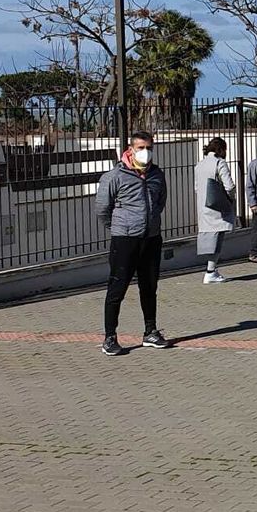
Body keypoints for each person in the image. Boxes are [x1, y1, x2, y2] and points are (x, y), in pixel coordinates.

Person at [96, 131, 170, 355]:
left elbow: (160, 201)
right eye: (140, 148)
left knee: (150, 287)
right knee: (117, 288)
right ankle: (110, 337)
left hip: (151, 238)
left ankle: (150, 332)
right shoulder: (115, 176)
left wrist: (151, 220)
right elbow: (102, 209)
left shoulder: (157, 174)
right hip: (125, 239)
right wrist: (120, 226)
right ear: (130, 149)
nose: (145, 152)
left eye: (149, 147)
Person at [194, 137, 236, 284]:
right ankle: (210, 272)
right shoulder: (220, 163)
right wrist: (231, 198)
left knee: (209, 237)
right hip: (218, 206)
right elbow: (229, 186)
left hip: (203, 206)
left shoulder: (199, 165)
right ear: (221, 149)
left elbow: (197, 188)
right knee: (217, 238)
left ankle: (210, 270)